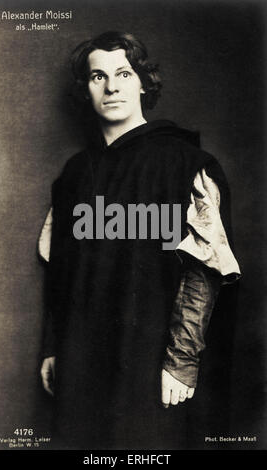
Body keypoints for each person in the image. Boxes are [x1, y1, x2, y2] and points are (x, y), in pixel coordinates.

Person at [38, 31, 240, 449]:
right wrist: (54, 346)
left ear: (144, 82)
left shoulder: (183, 162)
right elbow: (61, 268)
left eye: (124, 73)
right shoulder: (75, 173)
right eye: (98, 76)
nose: (111, 86)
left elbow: (205, 267)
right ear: (86, 89)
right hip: (81, 361)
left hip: (151, 366)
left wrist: (181, 361)